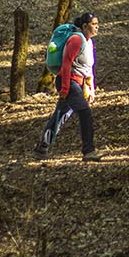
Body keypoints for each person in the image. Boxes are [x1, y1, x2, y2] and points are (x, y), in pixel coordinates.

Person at [35, 11, 101, 161]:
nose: (97, 27)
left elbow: (89, 68)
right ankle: (88, 151)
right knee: (85, 113)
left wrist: (91, 88)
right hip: (68, 81)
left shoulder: (89, 42)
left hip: (78, 83)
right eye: (94, 25)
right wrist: (65, 89)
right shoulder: (76, 40)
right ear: (85, 26)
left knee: (60, 115)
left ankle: (42, 147)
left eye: (97, 24)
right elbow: (66, 64)